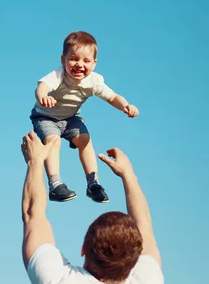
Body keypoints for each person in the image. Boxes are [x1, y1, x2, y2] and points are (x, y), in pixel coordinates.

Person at [20, 131, 164, 284]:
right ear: (135, 258)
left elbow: (32, 214)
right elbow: (145, 224)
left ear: (83, 248)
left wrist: (35, 161)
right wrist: (129, 175)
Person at [30, 31, 139, 203]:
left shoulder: (94, 81)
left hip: (71, 118)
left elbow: (112, 97)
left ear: (94, 64)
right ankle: (55, 185)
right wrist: (43, 96)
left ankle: (93, 183)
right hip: (45, 117)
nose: (79, 64)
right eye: (73, 59)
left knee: (85, 140)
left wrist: (125, 105)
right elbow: (42, 86)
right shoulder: (59, 75)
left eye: (86, 61)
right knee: (53, 141)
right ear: (63, 60)